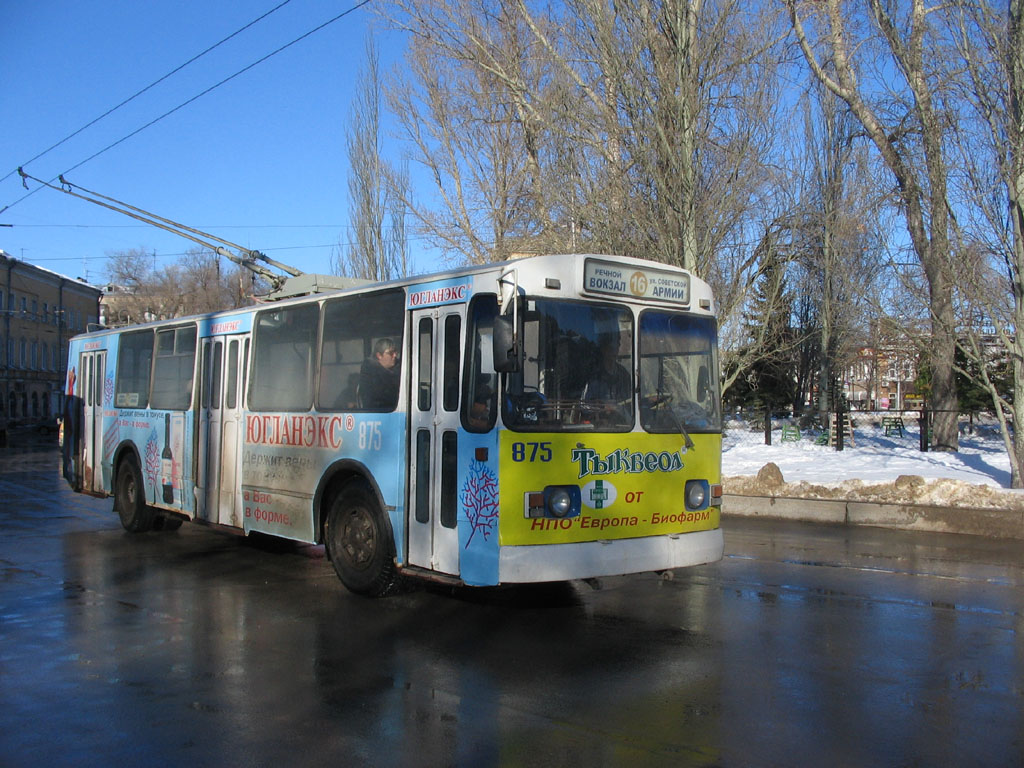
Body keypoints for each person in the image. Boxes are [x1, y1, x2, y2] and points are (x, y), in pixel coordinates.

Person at [582, 336, 632, 424]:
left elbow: (629, 401)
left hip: (622, 424)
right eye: (611, 347)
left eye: (617, 346)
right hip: (599, 426)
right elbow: (584, 406)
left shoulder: (624, 374)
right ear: (603, 350)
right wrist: (603, 407)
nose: (614, 351)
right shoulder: (594, 375)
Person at [359, 338, 399, 410]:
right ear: (379, 355)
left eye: (396, 352)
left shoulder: (401, 368)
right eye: (391, 353)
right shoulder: (370, 375)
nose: (395, 355)